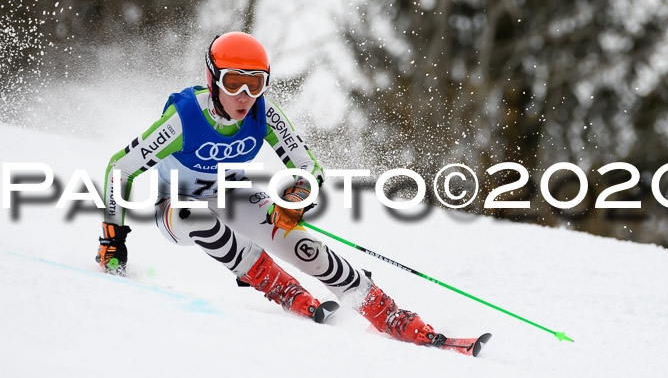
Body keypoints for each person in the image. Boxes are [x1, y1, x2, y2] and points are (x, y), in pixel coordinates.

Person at [95, 32, 448, 347]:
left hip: (232, 196)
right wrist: (113, 237)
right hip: (175, 205)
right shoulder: (185, 119)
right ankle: (278, 285)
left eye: (256, 83)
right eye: (233, 82)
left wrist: (297, 198)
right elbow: (119, 168)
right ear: (213, 79)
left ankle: (385, 311)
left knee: (298, 241)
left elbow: (308, 168)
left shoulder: (265, 115)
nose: (244, 95)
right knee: (194, 215)